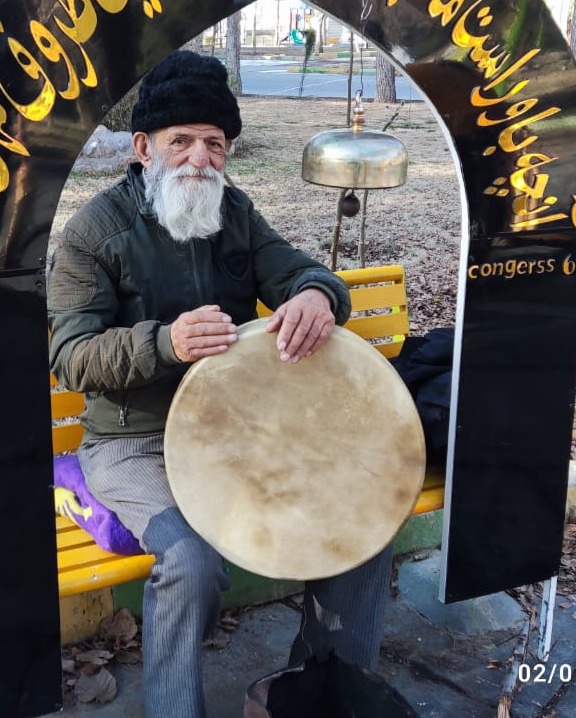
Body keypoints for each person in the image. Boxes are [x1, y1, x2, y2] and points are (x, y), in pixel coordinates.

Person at [47, 51, 393, 718]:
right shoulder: (96, 232)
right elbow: (71, 355)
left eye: (214, 143)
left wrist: (317, 295)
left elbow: (299, 271)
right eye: (181, 141)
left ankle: (318, 692)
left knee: (358, 515)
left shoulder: (233, 212)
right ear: (144, 148)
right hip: (134, 444)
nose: (199, 159)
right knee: (191, 557)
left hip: (237, 430)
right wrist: (164, 343)